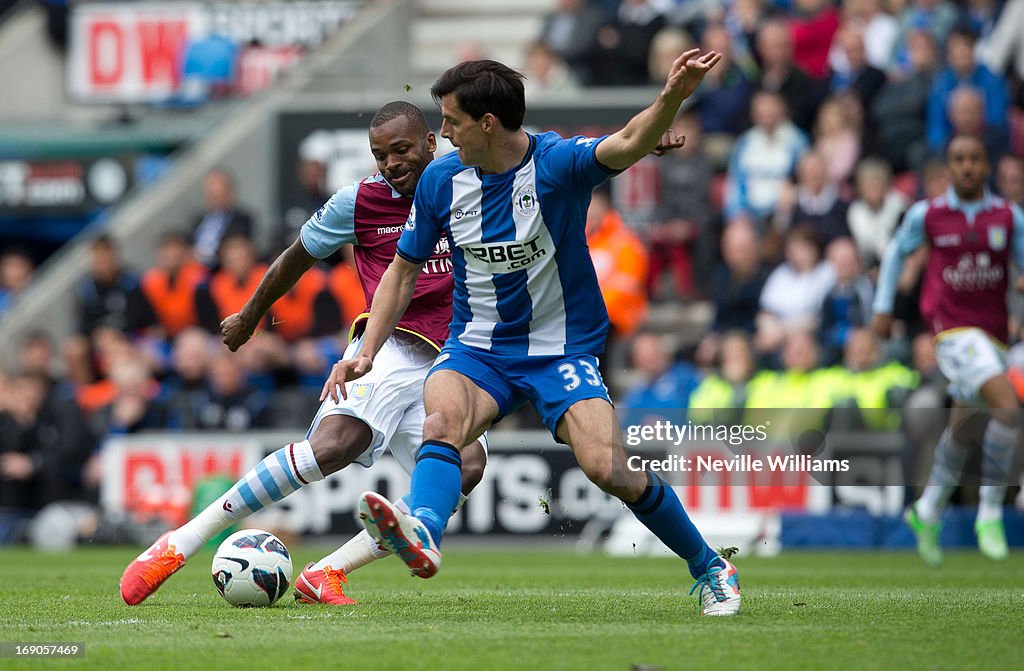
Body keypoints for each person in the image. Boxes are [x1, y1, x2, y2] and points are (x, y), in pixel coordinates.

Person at [327, 54, 742, 616]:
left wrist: (674, 95)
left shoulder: (557, 164)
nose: (443, 134)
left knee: (608, 469)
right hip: (477, 347)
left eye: (451, 121)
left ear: (489, 122)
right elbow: (402, 270)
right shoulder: (441, 182)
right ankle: (423, 529)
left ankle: (710, 565)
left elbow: (625, 142)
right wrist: (367, 352)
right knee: (443, 420)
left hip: (560, 350)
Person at [119, 102, 488, 607]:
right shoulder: (358, 201)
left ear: (430, 143)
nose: (392, 163)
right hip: (388, 345)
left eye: (401, 150)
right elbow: (297, 256)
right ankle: (178, 543)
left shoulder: (471, 185)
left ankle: (327, 572)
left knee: (466, 466)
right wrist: (251, 315)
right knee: (334, 445)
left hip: (456, 357)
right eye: (381, 155)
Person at [873, 135, 1024, 565]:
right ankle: (990, 512)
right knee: (1008, 408)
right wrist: (884, 308)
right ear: (950, 167)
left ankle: (927, 508)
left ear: (986, 166)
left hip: (993, 335)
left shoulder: (1008, 217)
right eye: (959, 160)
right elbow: (894, 254)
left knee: (963, 427)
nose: (967, 167)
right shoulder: (929, 214)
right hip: (950, 331)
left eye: (975, 159)